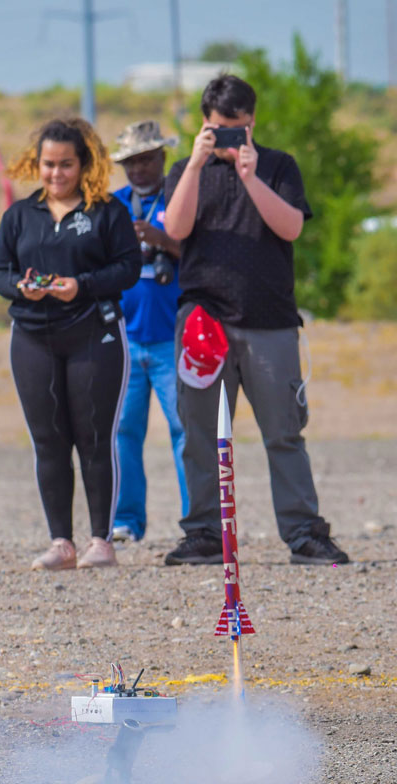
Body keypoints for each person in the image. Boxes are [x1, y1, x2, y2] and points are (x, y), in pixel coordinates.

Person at [163, 75, 349, 566]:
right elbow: (175, 228)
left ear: (252, 122)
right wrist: (199, 162)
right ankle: (203, 532)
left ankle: (304, 532)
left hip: (269, 323)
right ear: (203, 123)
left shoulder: (279, 165)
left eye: (235, 129)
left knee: (284, 431)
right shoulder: (187, 169)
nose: (226, 138)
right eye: (216, 129)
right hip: (204, 324)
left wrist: (250, 176)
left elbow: (290, 227)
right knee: (200, 432)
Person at [0, 118, 141, 570]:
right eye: (48, 165)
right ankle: (61, 543)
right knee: (48, 441)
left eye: (66, 165)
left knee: (94, 438)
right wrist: (22, 287)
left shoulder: (107, 211)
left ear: (84, 164)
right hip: (33, 337)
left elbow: (128, 268)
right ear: (36, 164)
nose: (56, 174)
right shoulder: (19, 216)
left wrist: (82, 285)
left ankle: (101, 542)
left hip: (95, 332)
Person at [109, 121, 188, 543]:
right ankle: (125, 520)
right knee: (122, 432)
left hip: (172, 338)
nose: (139, 169)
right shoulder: (112, 206)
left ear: (163, 159)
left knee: (185, 431)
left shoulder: (179, 201)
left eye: (147, 159)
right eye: (131, 162)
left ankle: (198, 523)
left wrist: (164, 240)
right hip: (123, 338)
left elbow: (203, 254)